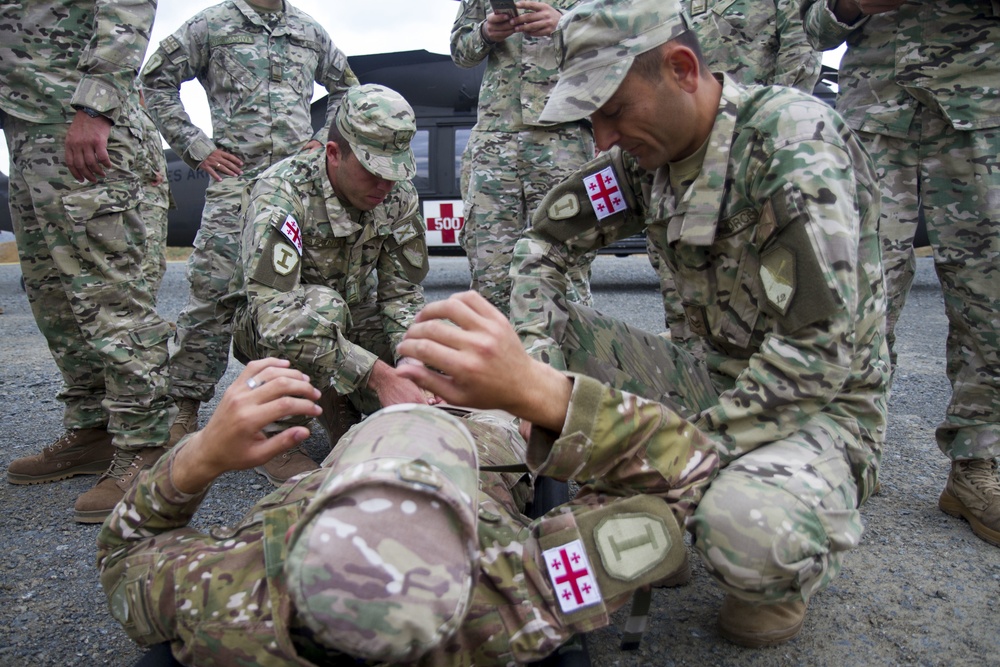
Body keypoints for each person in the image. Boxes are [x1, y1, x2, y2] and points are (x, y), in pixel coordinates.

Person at [508, 0, 889, 647]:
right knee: (549, 346)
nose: (602, 138)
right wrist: (534, 367)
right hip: (706, 378)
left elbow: (820, 354)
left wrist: (671, 451)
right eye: (593, 118)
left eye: (615, 111)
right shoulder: (641, 161)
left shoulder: (791, 149)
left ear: (682, 69)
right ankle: (669, 510)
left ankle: (757, 556)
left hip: (816, 407)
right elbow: (541, 244)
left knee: (746, 533)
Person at [99, 303, 719, 666]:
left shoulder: (231, 591)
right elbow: (683, 472)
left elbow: (125, 554)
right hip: (490, 442)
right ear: (472, 541)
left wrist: (200, 457)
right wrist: (539, 394)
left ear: (313, 507)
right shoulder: (514, 588)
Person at [800, 0, 1000, 548]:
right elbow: (812, 25)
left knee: (990, 295)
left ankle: (976, 464)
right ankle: (850, 450)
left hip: (980, 111)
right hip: (876, 120)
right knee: (855, 293)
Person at [140, 0, 357, 449]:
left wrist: (320, 142)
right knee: (212, 295)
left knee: (302, 293)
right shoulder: (211, 24)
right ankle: (184, 408)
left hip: (298, 192)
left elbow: (346, 91)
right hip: (236, 188)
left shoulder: (307, 29)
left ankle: (324, 402)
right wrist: (196, 146)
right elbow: (155, 81)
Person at [1, 0, 175, 524]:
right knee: (54, 297)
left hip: (90, 132)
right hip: (28, 135)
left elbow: (127, 8)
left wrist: (95, 108)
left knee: (111, 297)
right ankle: (95, 431)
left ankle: (145, 447)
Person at [227, 83, 432, 485]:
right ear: (333, 154)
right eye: (373, 172)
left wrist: (411, 366)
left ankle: (338, 398)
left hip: (348, 319)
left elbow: (402, 294)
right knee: (322, 308)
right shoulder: (282, 193)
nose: (385, 187)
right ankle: (276, 437)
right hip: (272, 324)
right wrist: (379, 376)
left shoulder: (396, 194)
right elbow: (274, 317)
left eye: (395, 172)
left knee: (435, 342)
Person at [656, 0, 824, 349]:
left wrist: (770, 137)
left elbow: (800, 53)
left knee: (763, 298)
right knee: (684, 297)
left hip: (749, 159)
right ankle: (694, 390)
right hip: (683, 161)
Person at [451, 0, 597, 317]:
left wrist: (566, 22)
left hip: (563, 135)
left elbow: (622, 38)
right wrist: (486, 32)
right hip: (495, 138)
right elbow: (460, 51)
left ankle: (568, 363)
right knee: (490, 269)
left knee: (566, 262)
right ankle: (496, 362)